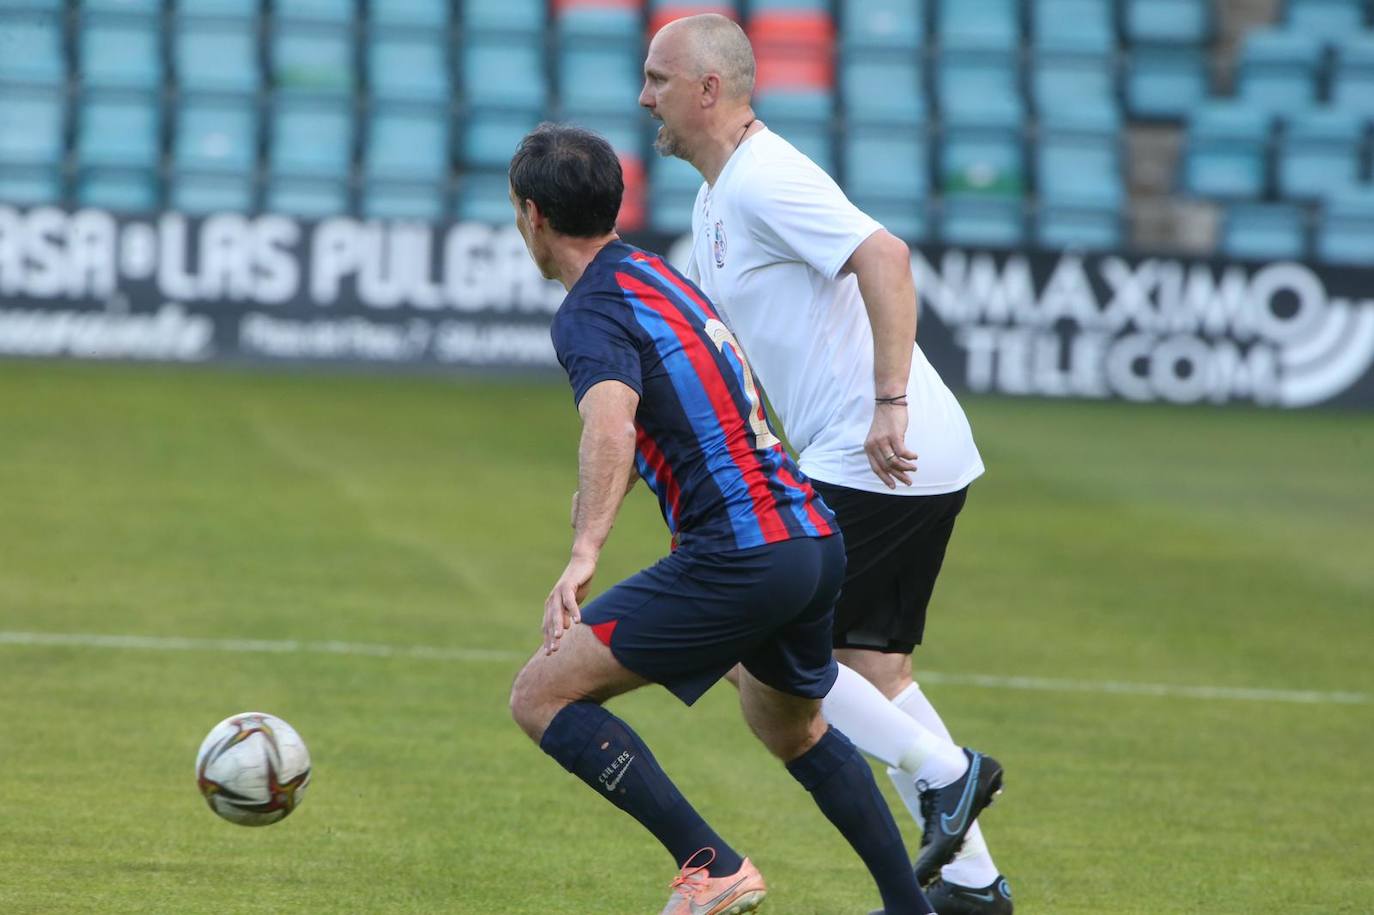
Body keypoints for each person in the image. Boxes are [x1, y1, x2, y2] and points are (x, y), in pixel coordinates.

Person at [505, 123, 936, 915]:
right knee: (791, 727)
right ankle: (912, 908)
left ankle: (713, 866)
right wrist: (611, 484)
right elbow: (678, 409)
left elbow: (613, 422)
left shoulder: (589, 312)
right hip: (811, 538)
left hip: (739, 555)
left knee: (540, 696)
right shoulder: (656, 277)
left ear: (532, 215)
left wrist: (583, 550)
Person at [639, 14, 1013, 914]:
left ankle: (949, 773)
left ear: (708, 91)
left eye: (657, 79)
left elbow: (884, 256)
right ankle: (974, 888)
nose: (644, 96)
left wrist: (887, 402)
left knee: (756, 642)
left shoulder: (767, 176)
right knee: (873, 670)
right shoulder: (716, 194)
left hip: (885, 449)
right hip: (899, 454)